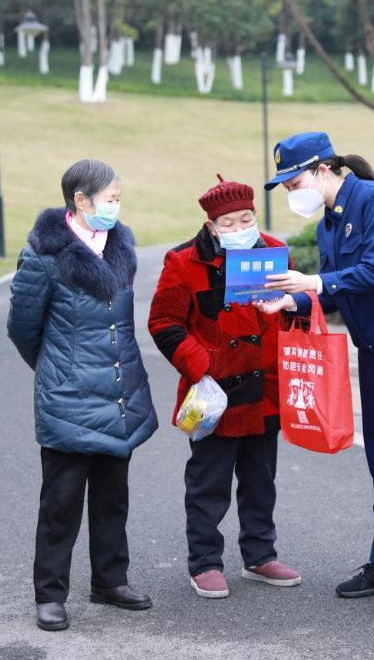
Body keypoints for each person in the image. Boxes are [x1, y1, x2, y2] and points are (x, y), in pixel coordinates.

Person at [259, 132, 374, 617]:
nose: (290, 192)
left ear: (323, 170)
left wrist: (315, 281)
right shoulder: (328, 225)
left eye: (293, 181)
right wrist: (293, 299)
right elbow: (337, 295)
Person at [7, 159, 158, 631]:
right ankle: (50, 595)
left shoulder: (121, 246)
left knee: (114, 495)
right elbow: (22, 329)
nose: (116, 206)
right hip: (69, 396)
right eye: (110, 198)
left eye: (118, 198)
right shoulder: (45, 256)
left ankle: (110, 580)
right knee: (61, 501)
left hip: (118, 393)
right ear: (80, 200)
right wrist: (59, 369)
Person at [148, 176, 302, 599]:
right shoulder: (183, 261)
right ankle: (204, 562)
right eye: (229, 222)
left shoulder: (272, 252)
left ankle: (259, 554)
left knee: (260, 478)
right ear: (212, 226)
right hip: (213, 393)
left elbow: (291, 312)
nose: (240, 228)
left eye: (246, 219)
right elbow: (163, 323)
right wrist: (203, 367)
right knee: (208, 481)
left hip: (264, 386)